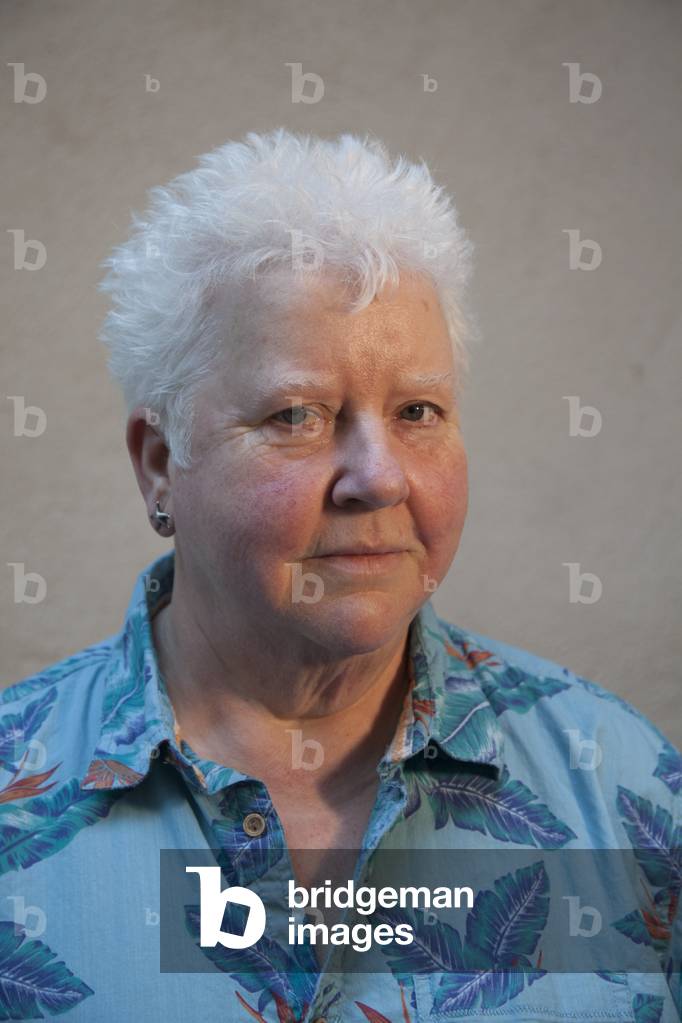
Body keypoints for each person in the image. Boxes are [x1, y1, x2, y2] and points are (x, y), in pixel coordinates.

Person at [1, 129, 679, 1023]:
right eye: (297, 414)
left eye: (418, 411)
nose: (382, 476)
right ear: (162, 463)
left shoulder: (625, 784)